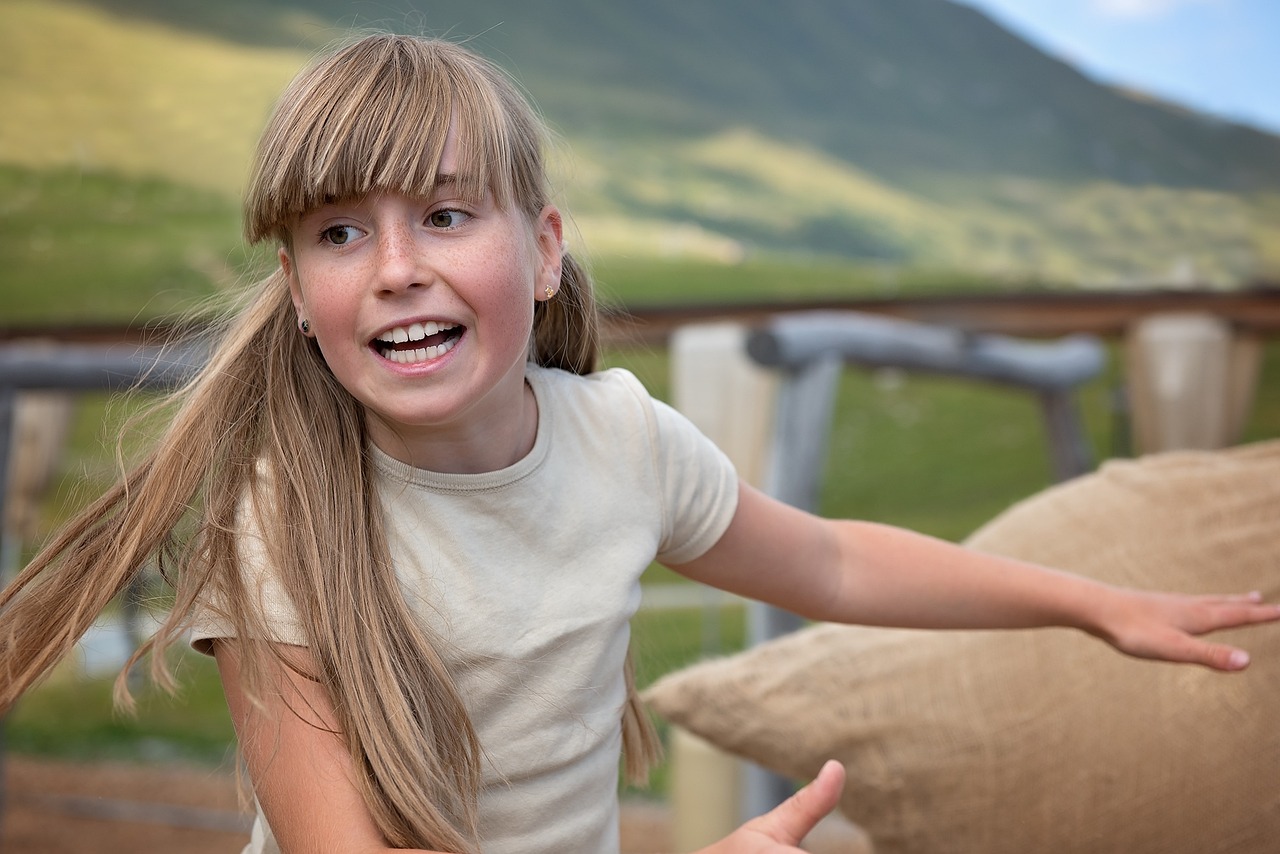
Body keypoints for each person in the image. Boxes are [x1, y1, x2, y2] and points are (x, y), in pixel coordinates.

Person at [1, 32, 1277, 854]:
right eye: (339, 233)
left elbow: (830, 560)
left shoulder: (619, 438)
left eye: (444, 214)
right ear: (294, 287)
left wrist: (1087, 602)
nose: (394, 268)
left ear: (542, 249)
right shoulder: (284, 517)